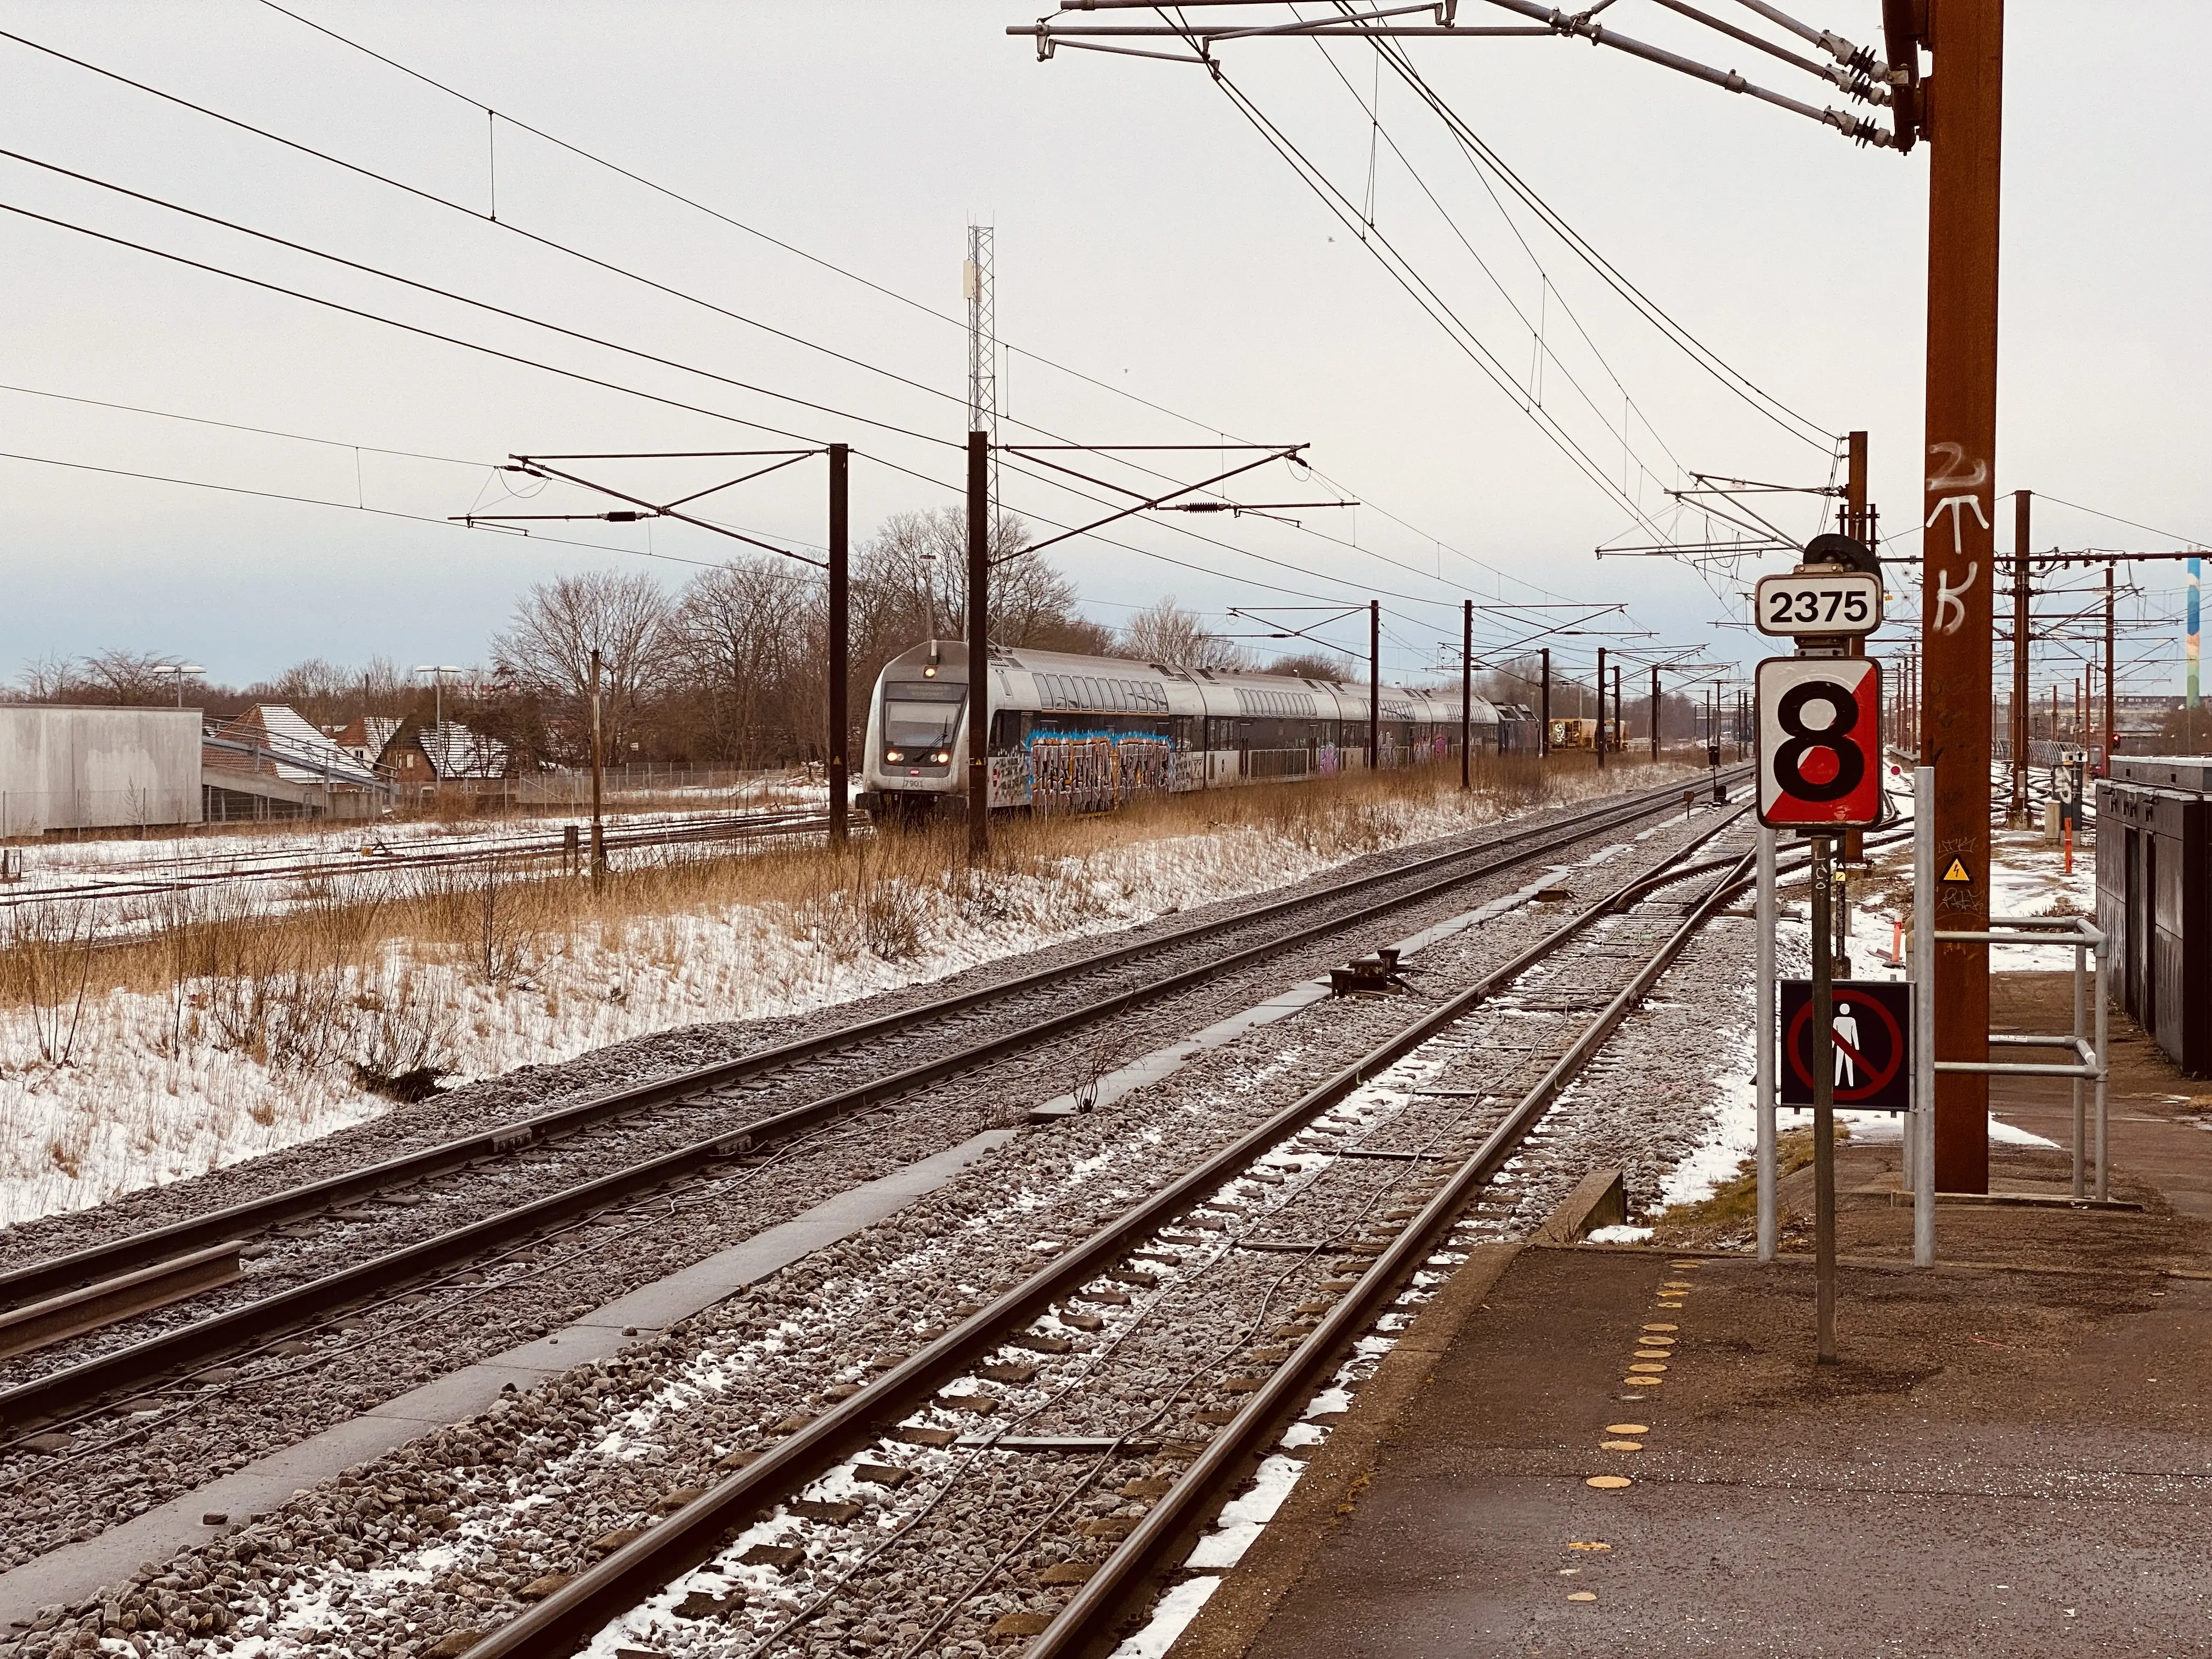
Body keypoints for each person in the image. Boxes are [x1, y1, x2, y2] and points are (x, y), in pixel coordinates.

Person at [1832, 1002, 1860, 1087]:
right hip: (1848, 1044)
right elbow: (1854, 1034)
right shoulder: (1851, 1020)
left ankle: (1839, 1082)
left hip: (1841, 1045)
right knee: (1848, 1064)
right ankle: (1850, 1083)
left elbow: (1833, 1034)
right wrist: (1857, 1046)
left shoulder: (1837, 1020)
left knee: (1839, 1063)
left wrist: (1832, 1045)